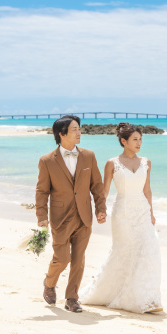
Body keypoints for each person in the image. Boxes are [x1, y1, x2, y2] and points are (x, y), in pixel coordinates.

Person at [79, 122, 163, 313]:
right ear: (124, 141)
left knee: (149, 251)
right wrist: (101, 209)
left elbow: (147, 190)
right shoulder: (112, 163)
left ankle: (147, 299)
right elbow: (105, 189)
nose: (139, 142)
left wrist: (151, 213)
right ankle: (112, 293)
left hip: (142, 211)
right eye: (135, 139)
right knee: (123, 253)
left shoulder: (146, 162)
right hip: (122, 213)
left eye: (141, 139)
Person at [36, 115, 107, 313]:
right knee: (62, 258)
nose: (79, 132)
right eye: (74, 129)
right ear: (62, 134)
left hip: (84, 216)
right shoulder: (47, 161)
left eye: (79, 128)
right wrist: (41, 216)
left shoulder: (88, 156)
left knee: (78, 260)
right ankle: (49, 283)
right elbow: (42, 191)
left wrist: (101, 209)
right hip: (60, 218)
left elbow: (97, 186)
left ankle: (72, 298)